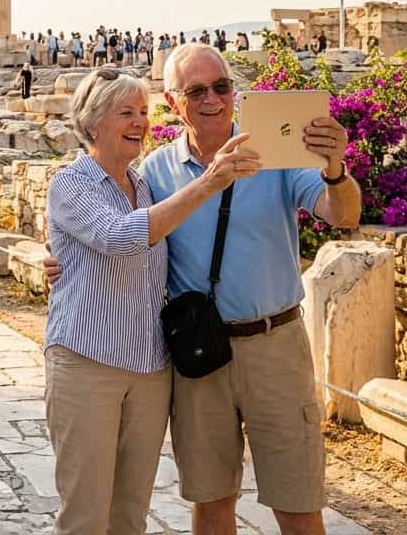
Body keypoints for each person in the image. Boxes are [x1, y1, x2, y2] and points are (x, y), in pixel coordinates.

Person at [50, 45, 361, 535]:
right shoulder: (153, 173)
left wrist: (336, 169)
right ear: (175, 102)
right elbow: (120, 232)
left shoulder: (275, 156)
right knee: (210, 502)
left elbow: (343, 215)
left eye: (221, 86)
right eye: (196, 90)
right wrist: (62, 259)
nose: (212, 98)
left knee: (298, 504)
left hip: (273, 346)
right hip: (197, 355)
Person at [40, 69, 256, 535]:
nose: (141, 122)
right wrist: (208, 183)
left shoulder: (143, 185)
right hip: (86, 361)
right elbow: (122, 238)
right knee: (85, 514)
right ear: (93, 121)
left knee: (130, 513)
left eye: (144, 112)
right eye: (126, 113)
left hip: (149, 368)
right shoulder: (71, 183)